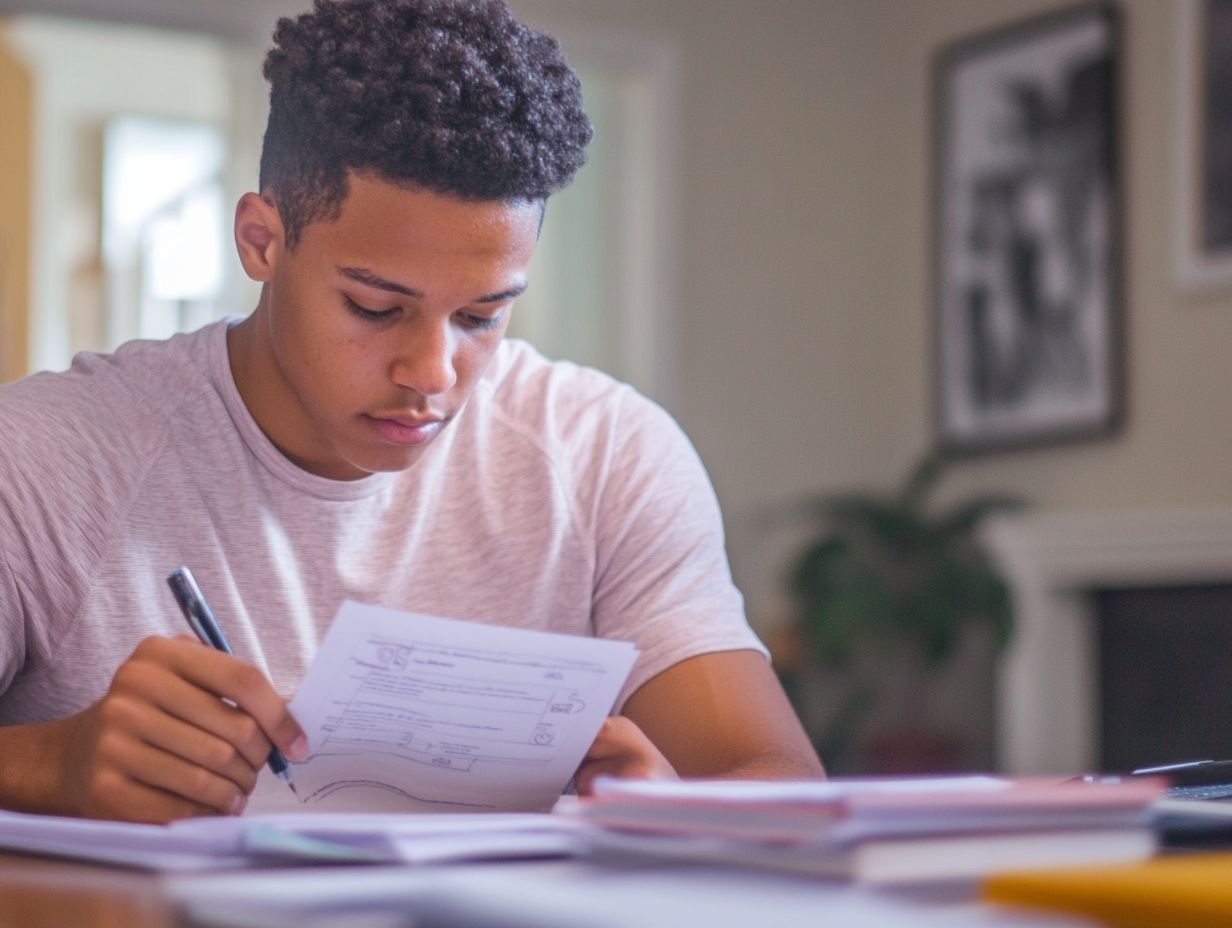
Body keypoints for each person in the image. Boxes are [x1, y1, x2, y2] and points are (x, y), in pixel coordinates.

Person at [0, 0, 822, 824]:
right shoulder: (44, 461)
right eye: (373, 307)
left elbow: (782, 781)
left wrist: (673, 812)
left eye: (481, 316)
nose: (432, 373)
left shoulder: (607, 455)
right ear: (262, 241)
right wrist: (51, 761)